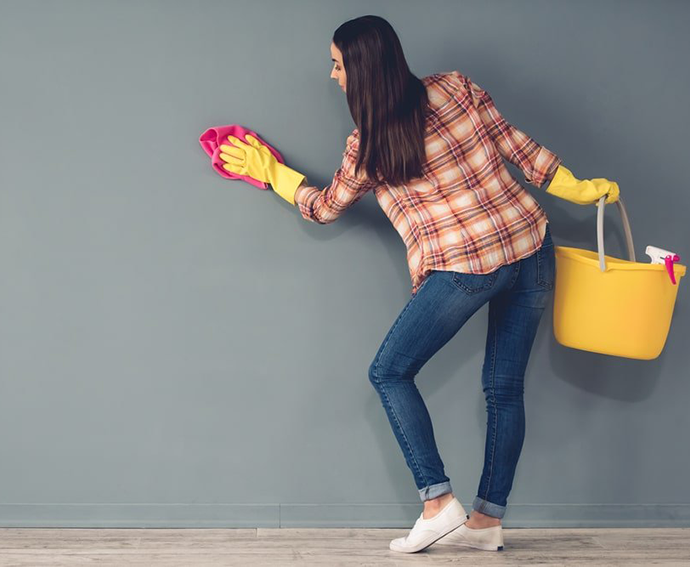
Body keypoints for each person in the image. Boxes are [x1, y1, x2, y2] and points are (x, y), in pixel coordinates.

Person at [218, 15, 619, 554]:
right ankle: (487, 522)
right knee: (505, 391)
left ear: (361, 72)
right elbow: (522, 152)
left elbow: (323, 209)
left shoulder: (368, 146)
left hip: (466, 271)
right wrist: (580, 189)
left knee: (388, 371)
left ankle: (438, 504)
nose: (332, 75)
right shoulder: (457, 87)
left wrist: (272, 173)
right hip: (531, 248)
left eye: (337, 65)